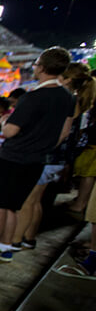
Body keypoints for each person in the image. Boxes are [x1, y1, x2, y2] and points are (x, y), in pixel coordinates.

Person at [0, 47, 75, 262]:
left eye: (36, 65)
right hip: (37, 160)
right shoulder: (67, 98)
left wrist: (4, 122)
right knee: (14, 206)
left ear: (42, 67)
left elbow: (10, 131)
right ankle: (7, 246)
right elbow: (64, 132)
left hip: (13, 157)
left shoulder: (33, 97)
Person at [65, 63, 96, 218]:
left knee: (87, 175)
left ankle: (81, 203)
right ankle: (81, 201)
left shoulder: (76, 100)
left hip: (90, 143)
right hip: (85, 142)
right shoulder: (83, 99)